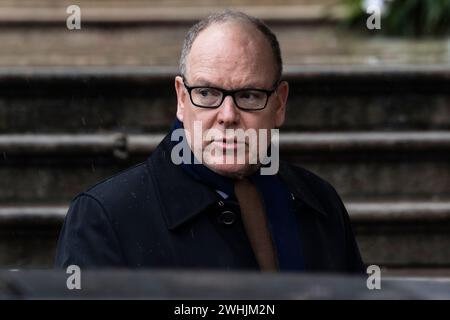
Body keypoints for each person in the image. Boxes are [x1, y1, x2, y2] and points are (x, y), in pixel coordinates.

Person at [55, 10, 364, 273]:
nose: (227, 115)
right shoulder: (105, 217)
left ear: (279, 104)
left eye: (249, 95)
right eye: (206, 93)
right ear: (181, 98)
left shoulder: (320, 203)